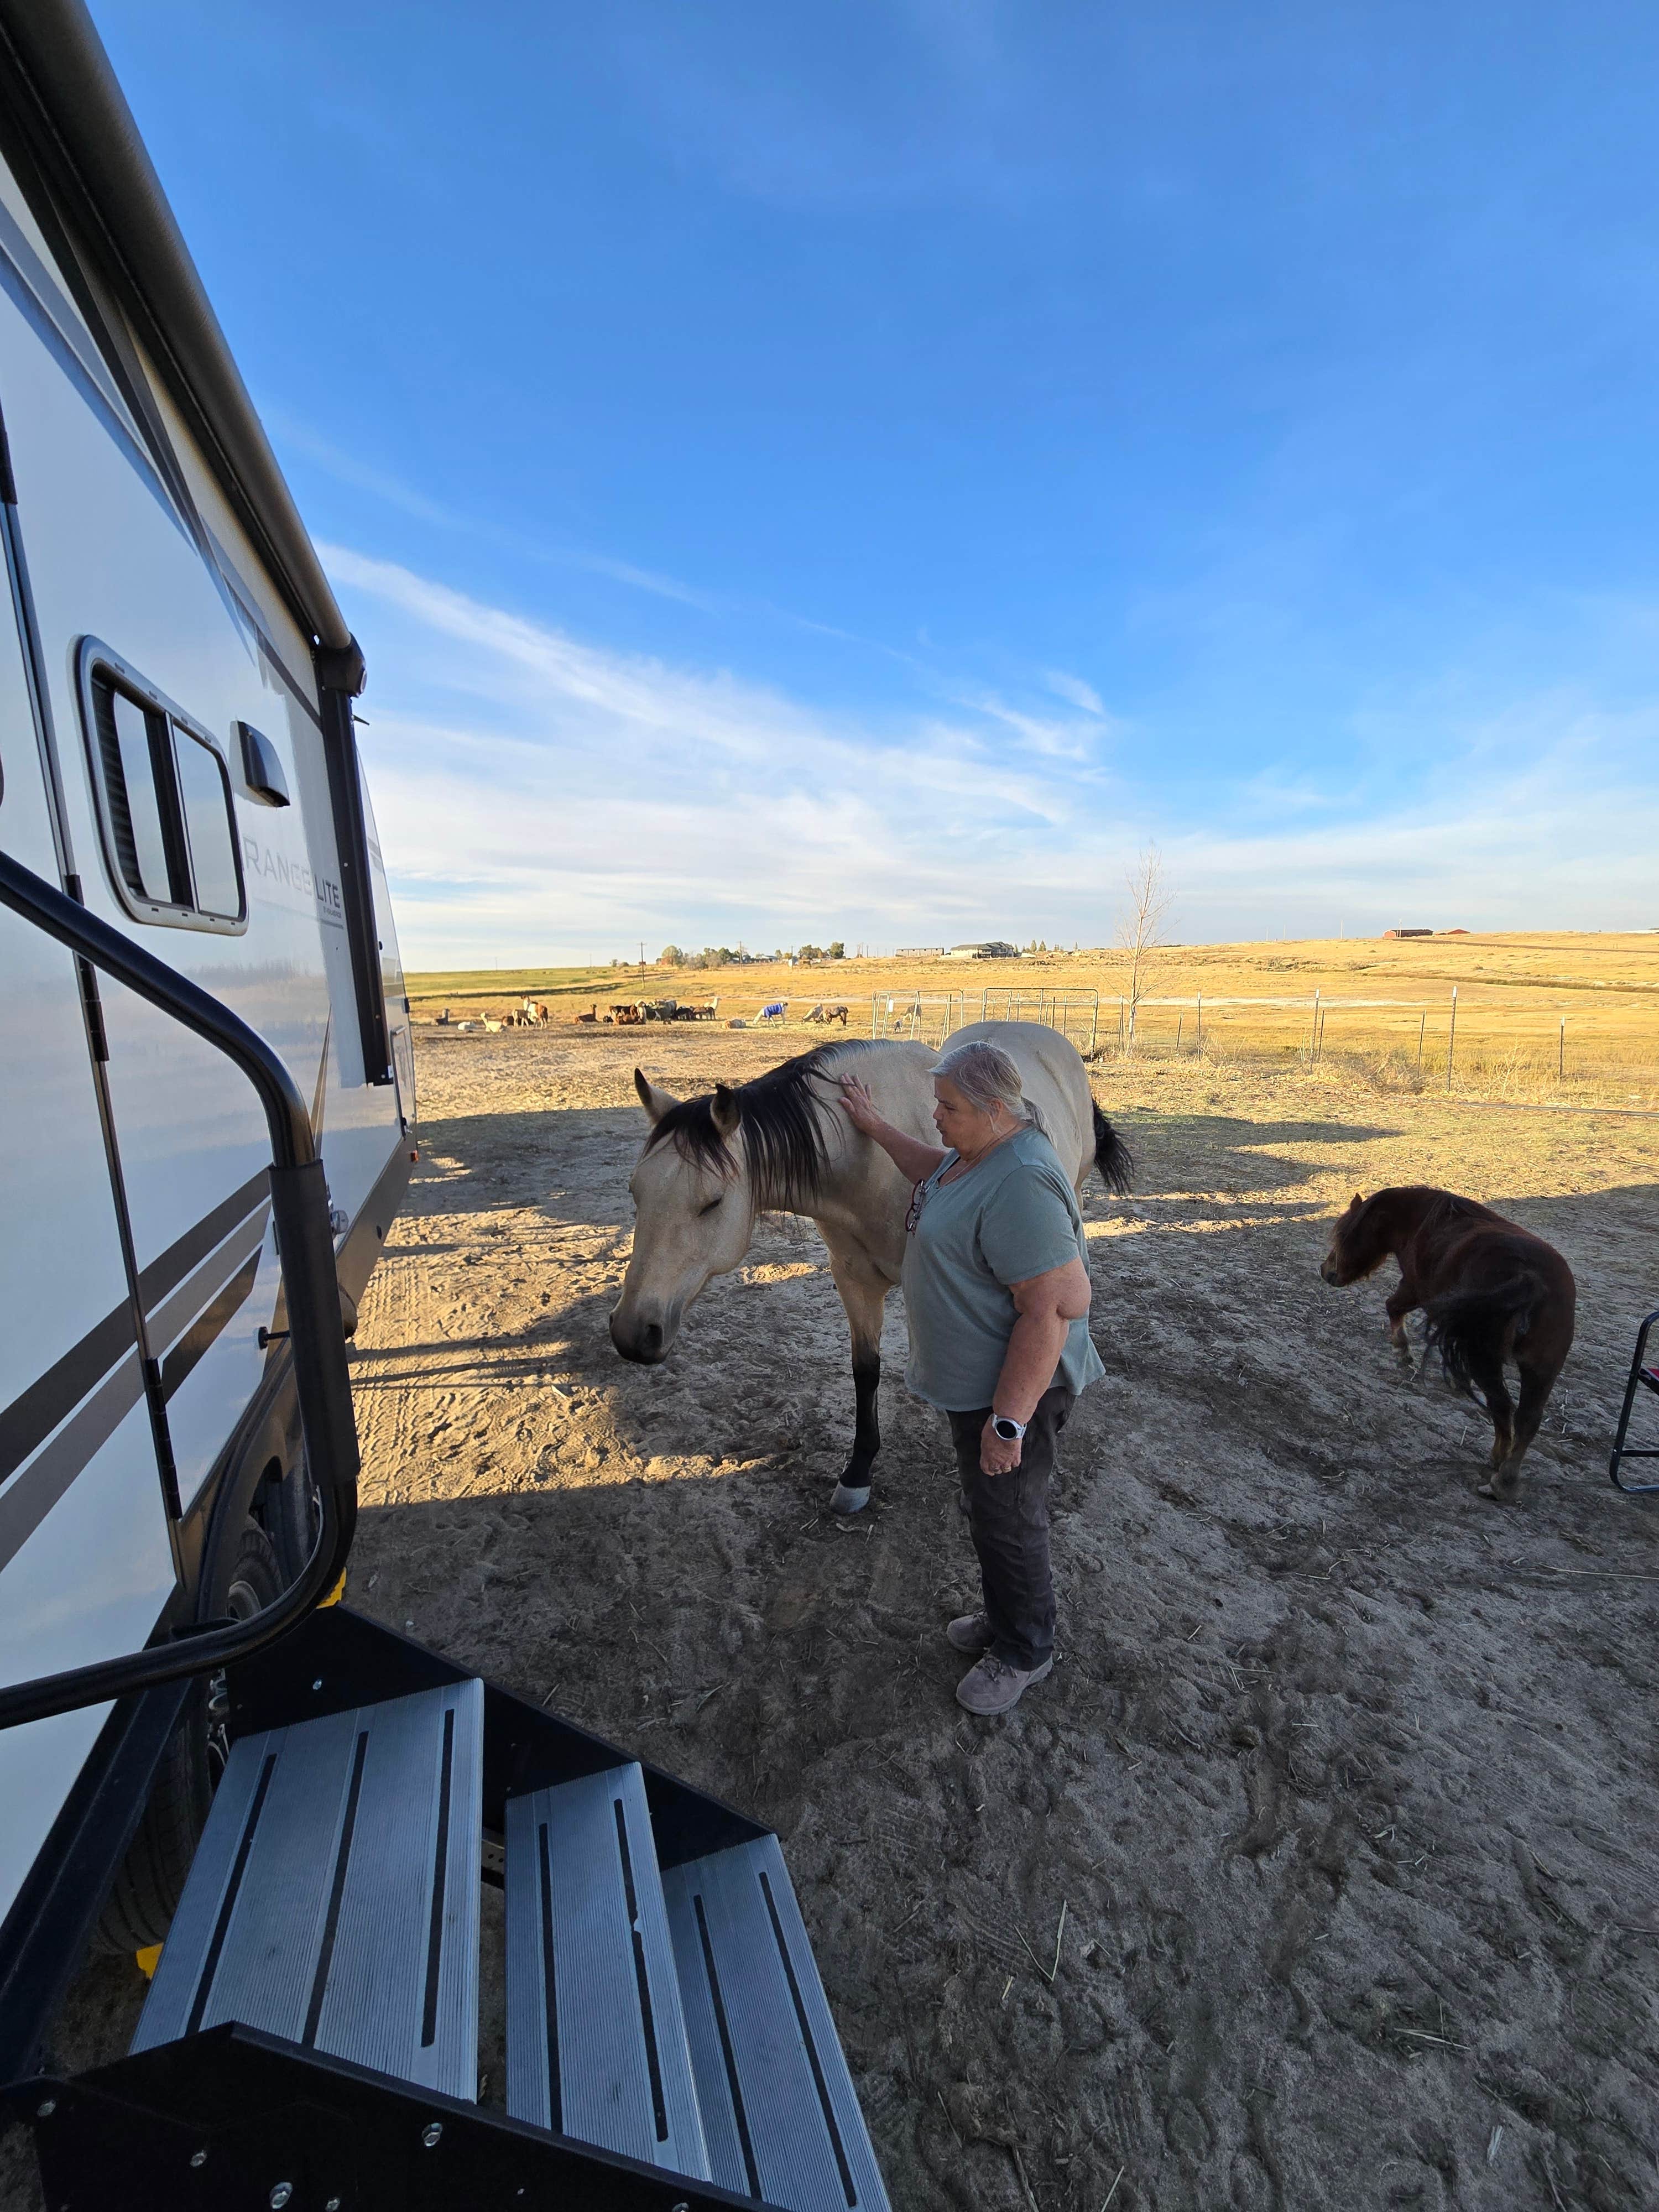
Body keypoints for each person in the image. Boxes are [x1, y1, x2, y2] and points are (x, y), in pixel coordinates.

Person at [838, 1041, 1103, 1715]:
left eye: (948, 1107)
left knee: (1010, 1518)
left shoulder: (1021, 1181)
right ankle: (1005, 1616)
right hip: (980, 1385)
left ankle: (1025, 1650)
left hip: (1015, 1392)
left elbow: (1055, 1308)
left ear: (992, 1110)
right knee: (991, 1514)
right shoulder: (979, 1153)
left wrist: (1008, 1421)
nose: (936, 1117)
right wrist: (875, 1127)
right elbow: (933, 1167)